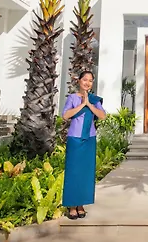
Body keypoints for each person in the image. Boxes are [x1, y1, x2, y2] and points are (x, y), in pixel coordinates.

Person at [62, 71, 106, 219]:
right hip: (75, 139)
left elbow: (102, 116)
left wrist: (89, 104)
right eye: (85, 79)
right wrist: (82, 105)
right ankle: (72, 205)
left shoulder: (94, 100)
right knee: (73, 172)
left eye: (90, 80)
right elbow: (65, 115)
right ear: (79, 81)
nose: (87, 83)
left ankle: (81, 204)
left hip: (89, 139)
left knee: (86, 173)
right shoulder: (72, 98)